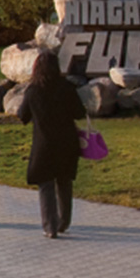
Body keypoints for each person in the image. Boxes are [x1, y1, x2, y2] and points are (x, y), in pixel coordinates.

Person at [17, 49, 86, 238]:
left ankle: (50, 226)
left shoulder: (33, 91)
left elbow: (23, 116)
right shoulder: (67, 87)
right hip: (67, 142)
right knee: (64, 182)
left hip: (44, 144)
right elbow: (79, 112)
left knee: (45, 185)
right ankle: (64, 222)